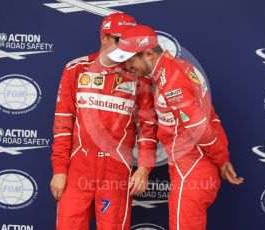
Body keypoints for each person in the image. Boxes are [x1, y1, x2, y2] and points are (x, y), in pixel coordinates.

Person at [108, 25, 244, 230]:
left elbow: (200, 129)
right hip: (194, 167)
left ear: (147, 54)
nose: (127, 65)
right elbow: (211, 115)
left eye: (130, 59)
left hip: (192, 171)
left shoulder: (172, 81)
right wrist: (222, 159)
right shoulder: (182, 68)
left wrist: (221, 159)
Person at [50, 14, 158, 230]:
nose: (125, 47)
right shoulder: (76, 69)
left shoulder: (139, 76)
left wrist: (145, 168)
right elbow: (63, 123)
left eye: (129, 41)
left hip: (116, 171)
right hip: (78, 169)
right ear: (103, 38)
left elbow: (148, 127)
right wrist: (59, 170)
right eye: (119, 39)